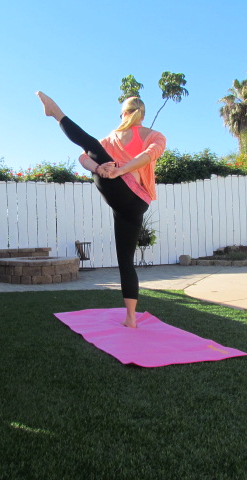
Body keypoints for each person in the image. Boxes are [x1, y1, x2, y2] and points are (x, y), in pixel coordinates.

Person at [36, 91, 166, 328]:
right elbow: (150, 155)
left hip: (121, 189)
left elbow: (85, 155)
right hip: (135, 204)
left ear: (124, 113)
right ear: (142, 115)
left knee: (91, 144)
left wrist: (112, 170)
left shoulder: (114, 138)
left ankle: (55, 112)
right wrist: (101, 168)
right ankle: (131, 318)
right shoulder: (156, 135)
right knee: (126, 260)